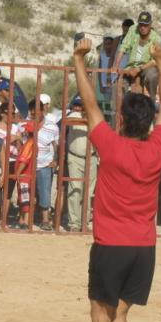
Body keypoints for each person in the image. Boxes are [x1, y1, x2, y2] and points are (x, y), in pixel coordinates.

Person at [73, 37, 161, 322]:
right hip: (143, 248)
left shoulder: (111, 145)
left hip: (111, 244)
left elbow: (88, 103)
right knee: (121, 315)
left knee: (100, 313)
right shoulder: (158, 148)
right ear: (149, 123)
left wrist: (79, 60)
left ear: (121, 119)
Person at [112, 11, 161, 102]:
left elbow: (155, 60)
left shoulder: (156, 38)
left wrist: (139, 69)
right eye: (141, 24)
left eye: (145, 25)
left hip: (146, 67)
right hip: (131, 66)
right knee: (117, 85)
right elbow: (123, 47)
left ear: (150, 24)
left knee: (152, 75)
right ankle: (116, 109)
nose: (142, 27)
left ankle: (152, 101)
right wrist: (116, 65)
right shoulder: (133, 29)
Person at [66, 95, 97, 232]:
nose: (78, 108)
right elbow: (68, 121)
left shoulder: (93, 115)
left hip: (91, 157)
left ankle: (85, 222)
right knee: (75, 190)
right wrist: (86, 120)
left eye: (81, 105)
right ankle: (74, 223)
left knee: (89, 192)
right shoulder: (74, 115)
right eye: (77, 105)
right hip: (75, 157)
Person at [29, 98, 59, 231]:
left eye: (36, 111)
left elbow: (56, 145)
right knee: (27, 191)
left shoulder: (52, 127)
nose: (34, 114)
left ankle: (45, 220)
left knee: (44, 191)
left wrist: (55, 160)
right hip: (28, 164)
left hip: (45, 164)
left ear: (42, 110)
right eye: (32, 111)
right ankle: (26, 218)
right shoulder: (25, 124)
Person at [14, 120, 36, 230]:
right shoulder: (30, 143)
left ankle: (26, 221)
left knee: (25, 197)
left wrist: (17, 174)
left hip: (25, 175)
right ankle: (22, 220)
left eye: (25, 129)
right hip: (26, 175)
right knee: (23, 197)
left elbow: (24, 160)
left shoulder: (30, 143)